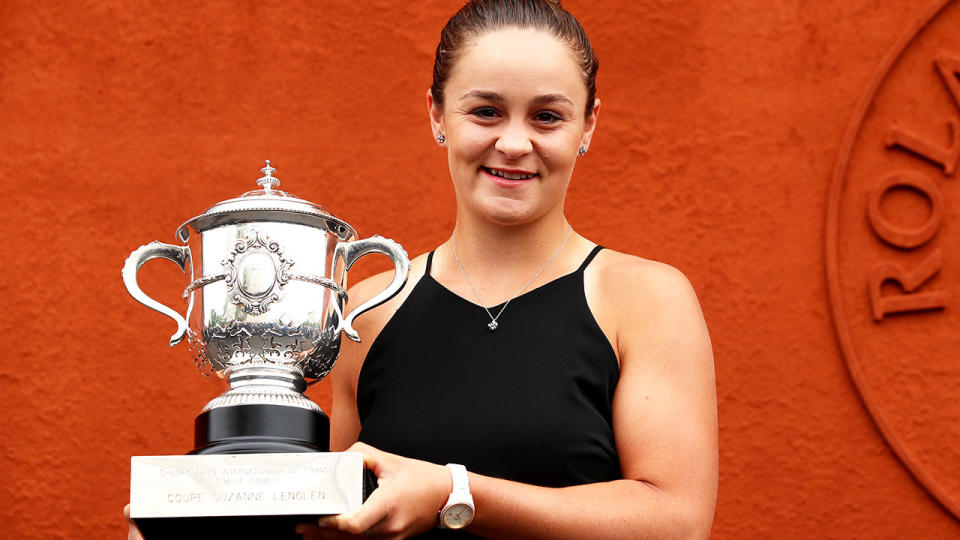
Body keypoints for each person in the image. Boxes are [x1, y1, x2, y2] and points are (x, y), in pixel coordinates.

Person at [128, 1, 717, 538]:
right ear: (437, 114)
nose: (513, 142)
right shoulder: (366, 311)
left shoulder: (643, 299)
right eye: (485, 111)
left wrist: (456, 492)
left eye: (547, 117)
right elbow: (323, 524)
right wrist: (193, 522)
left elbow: (677, 521)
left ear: (587, 125)